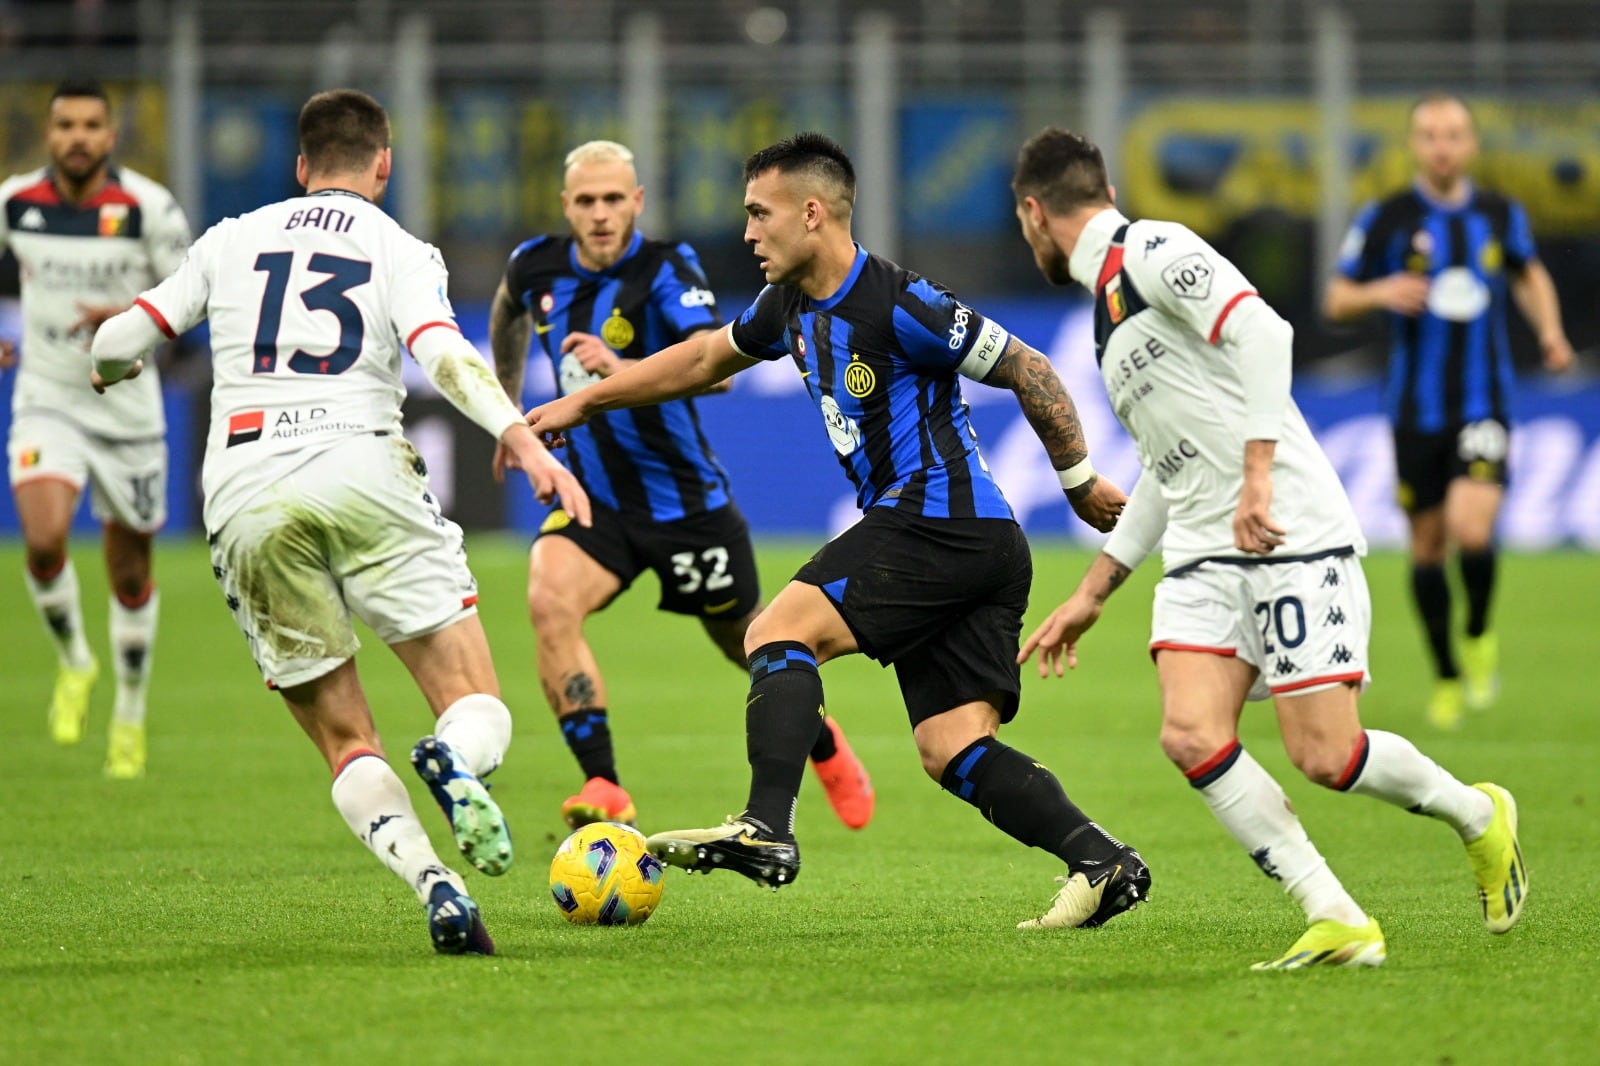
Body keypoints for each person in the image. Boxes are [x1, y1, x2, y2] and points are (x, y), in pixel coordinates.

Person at [528, 131, 1148, 930]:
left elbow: (1030, 368)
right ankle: (1104, 862)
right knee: (952, 749)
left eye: (760, 214)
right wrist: (587, 399)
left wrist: (1076, 484)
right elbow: (703, 359)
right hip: (971, 542)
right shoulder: (787, 302)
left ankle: (766, 827)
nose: (748, 233)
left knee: (776, 631)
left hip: (941, 521)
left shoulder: (900, 302)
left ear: (811, 213)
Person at [1010, 126, 1527, 969]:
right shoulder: (1109, 312)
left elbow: (1265, 333)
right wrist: (1096, 590)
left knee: (1326, 755)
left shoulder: (1153, 250)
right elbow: (1165, 468)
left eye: (1023, 219)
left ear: (1036, 212)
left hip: (1284, 528)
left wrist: (1257, 476)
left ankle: (1477, 815)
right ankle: (1335, 913)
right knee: (1189, 733)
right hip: (1205, 554)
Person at [89, 89, 591, 956]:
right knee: (476, 703)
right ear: (383, 165)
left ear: (299, 167)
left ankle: (436, 884)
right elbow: (442, 349)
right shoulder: (398, 246)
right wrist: (524, 437)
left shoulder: (230, 239)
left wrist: (110, 370)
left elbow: (117, 341)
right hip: (362, 463)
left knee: (346, 736)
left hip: (245, 490)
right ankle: (454, 760)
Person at [490, 139, 873, 833]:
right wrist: (504, 408)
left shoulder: (668, 270)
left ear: (636, 202)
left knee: (749, 644)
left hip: (686, 509)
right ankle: (603, 783)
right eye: (586, 201)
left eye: (614, 199)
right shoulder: (535, 266)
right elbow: (506, 314)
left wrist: (618, 363)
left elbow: (720, 368)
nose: (601, 214)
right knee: (548, 599)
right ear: (565, 206)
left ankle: (825, 743)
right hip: (596, 500)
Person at [1323, 93, 1576, 729]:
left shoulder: (1497, 214)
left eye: (1454, 134)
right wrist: (1382, 289)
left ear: (1471, 145)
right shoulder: (1387, 216)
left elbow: (1528, 274)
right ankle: (1444, 671)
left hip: (1484, 398)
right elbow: (1335, 298)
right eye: (1431, 135)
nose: (1442, 146)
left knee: (1472, 529)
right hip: (1414, 408)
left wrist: (1549, 330)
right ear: (1415, 144)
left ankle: (1480, 629)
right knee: (1429, 547)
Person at [1, 78, 192, 778]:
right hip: (47, 397)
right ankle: (75, 661)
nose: (77, 137)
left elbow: (191, 304)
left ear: (111, 137)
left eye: (90, 125)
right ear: (48, 135)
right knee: (45, 540)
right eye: (65, 125)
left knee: (130, 572)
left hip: (127, 411)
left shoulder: (148, 209)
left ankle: (129, 713)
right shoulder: (15, 203)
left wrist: (123, 318)